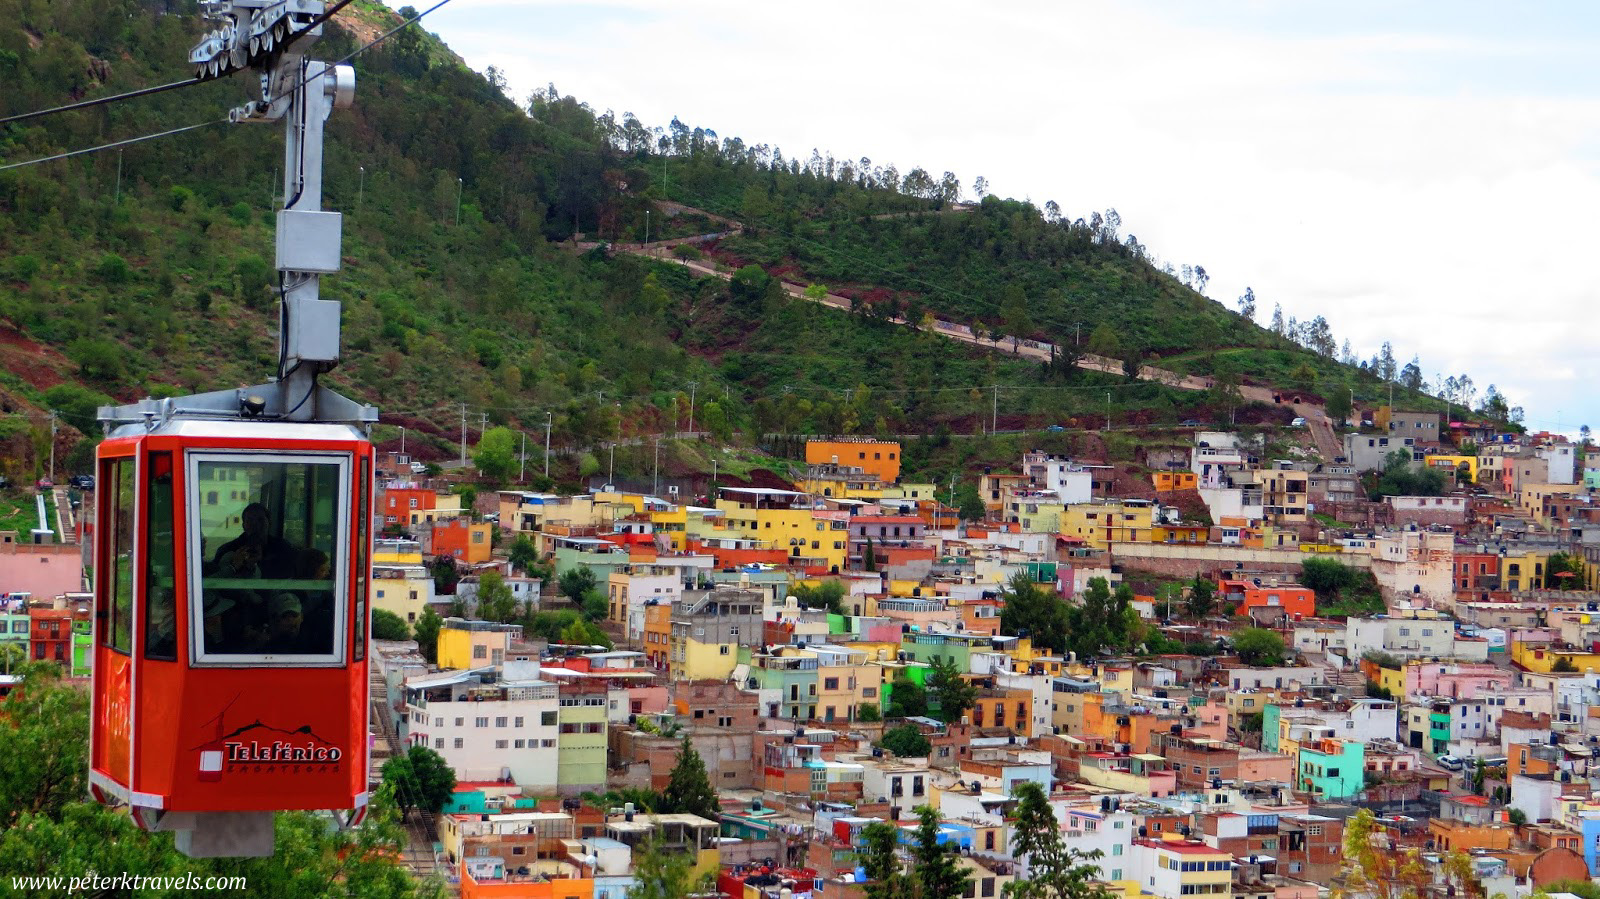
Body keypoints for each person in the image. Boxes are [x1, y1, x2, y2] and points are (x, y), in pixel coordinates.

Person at [209, 502, 297, 579]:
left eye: (260, 520)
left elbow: (291, 576)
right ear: (243, 525)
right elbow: (217, 583)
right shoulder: (227, 551)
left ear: (269, 523)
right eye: (250, 520)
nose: (256, 525)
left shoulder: (282, 548)